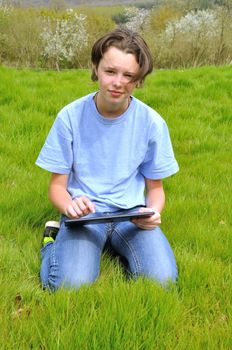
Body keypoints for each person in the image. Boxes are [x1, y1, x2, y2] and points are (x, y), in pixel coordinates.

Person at [36, 28, 179, 291]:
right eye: (110, 71)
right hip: (86, 217)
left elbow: (155, 189)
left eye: (128, 75)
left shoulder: (152, 123)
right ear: (95, 68)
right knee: (68, 286)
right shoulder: (69, 117)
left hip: (131, 217)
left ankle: (115, 247)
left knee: (163, 283)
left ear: (138, 79)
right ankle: (52, 242)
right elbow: (57, 188)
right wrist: (69, 207)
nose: (118, 82)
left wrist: (154, 212)